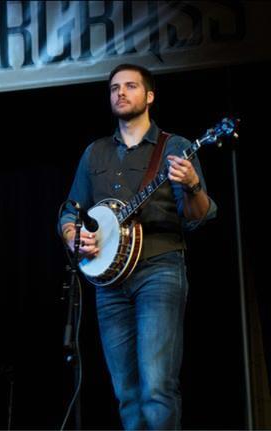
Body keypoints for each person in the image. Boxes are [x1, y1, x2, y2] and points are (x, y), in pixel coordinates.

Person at [57, 63, 217, 429]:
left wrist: (192, 185)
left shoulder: (175, 147)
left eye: (130, 86)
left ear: (149, 96)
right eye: (114, 88)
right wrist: (73, 235)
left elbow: (198, 216)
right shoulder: (94, 153)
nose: (121, 93)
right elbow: (70, 210)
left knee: (157, 387)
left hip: (159, 270)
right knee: (126, 392)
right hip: (108, 283)